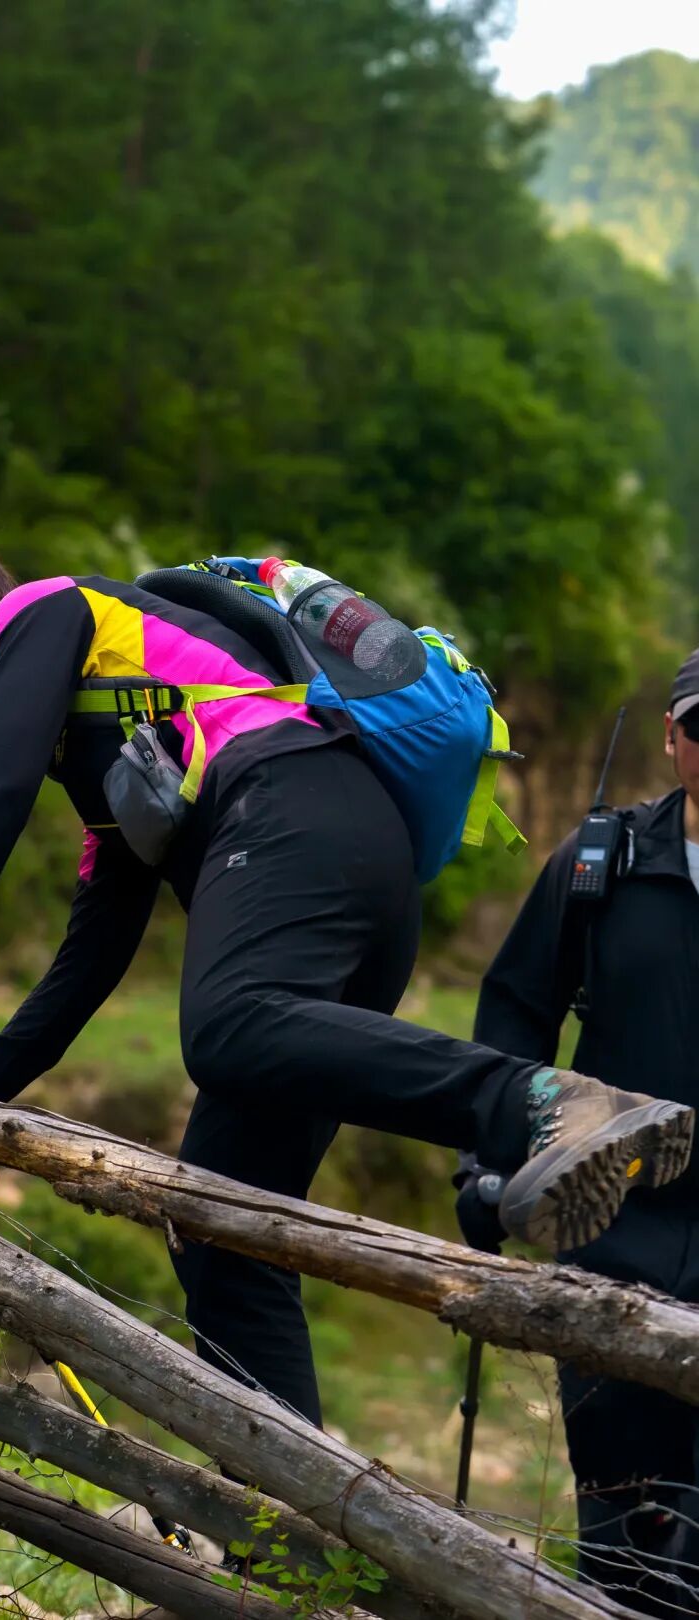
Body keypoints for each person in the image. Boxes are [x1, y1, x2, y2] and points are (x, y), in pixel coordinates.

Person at [0, 522, 693, 1432]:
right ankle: (293, 1509)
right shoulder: (115, 751)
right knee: (220, 1228)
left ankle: (541, 1103)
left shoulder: (41, 612)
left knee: (228, 1024)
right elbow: (86, 967)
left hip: (294, 811)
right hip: (358, 866)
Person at [473, 648, 699, 1617]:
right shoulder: (603, 862)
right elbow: (516, 1012)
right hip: (614, 1228)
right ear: (672, 736)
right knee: (620, 1508)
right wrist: (491, 1166)